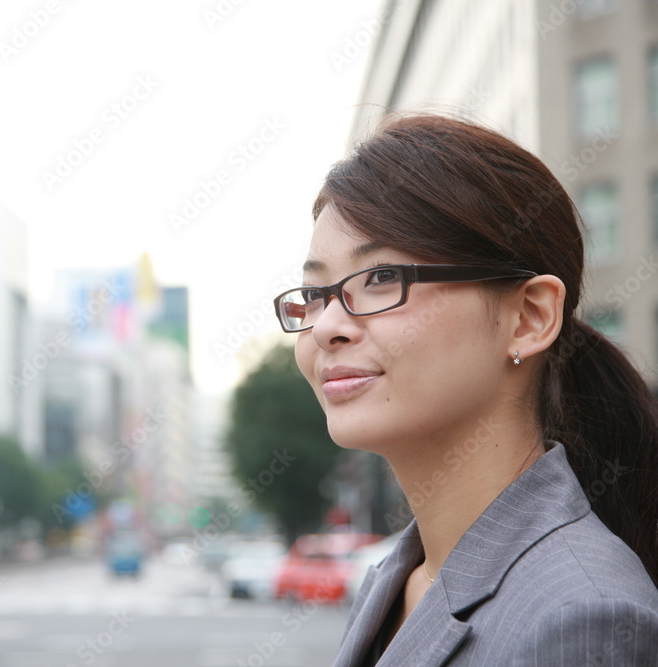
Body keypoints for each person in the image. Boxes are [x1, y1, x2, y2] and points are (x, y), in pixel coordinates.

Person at [272, 114, 658, 665]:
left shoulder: (583, 618)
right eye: (314, 293)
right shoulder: (394, 580)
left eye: (382, 277)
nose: (328, 325)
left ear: (528, 318)